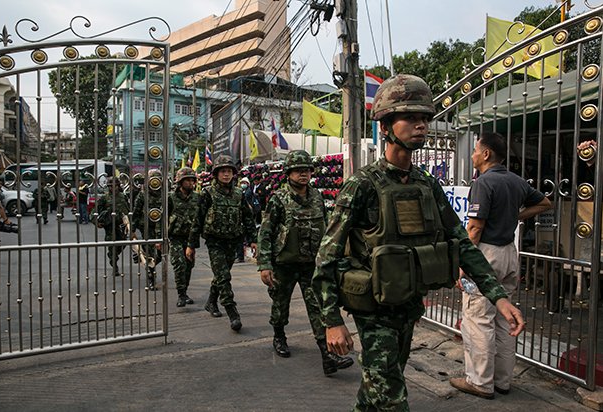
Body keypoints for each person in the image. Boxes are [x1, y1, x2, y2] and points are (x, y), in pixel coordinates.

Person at [311, 74, 525, 411]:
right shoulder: (362, 186)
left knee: (377, 389)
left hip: (409, 307)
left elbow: (462, 243)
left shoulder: (427, 184)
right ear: (385, 127)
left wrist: (498, 297)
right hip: (374, 312)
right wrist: (332, 321)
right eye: (410, 118)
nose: (421, 125)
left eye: (425, 118)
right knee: (393, 398)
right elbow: (326, 257)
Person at [449, 132, 552, 399]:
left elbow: (474, 228)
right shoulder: (516, 182)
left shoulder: (484, 182)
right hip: (509, 253)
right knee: (504, 319)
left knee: (478, 318)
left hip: (486, 255)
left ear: (486, 154)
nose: (472, 155)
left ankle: (480, 382)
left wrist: (462, 265)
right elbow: (544, 202)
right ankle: (502, 381)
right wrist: (516, 216)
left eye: (474, 150)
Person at [258, 150, 354, 375]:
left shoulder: (317, 197)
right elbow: (266, 232)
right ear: (289, 173)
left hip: (311, 264)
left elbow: (328, 226)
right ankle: (279, 336)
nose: (303, 174)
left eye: (306, 170)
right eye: (298, 170)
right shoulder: (278, 199)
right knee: (280, 305)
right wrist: (265, 265)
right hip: (284, 264)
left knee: (318, 307)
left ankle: (328, 356)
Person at [188, 154, 257, 332]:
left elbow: (248, 218)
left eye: (229, 171)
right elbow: (198, 220)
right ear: (216, 174)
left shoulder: (239, 194)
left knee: (221, 275)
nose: (226, 175)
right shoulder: (207, 194)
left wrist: (253, 240)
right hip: (215, 241)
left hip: (233, 241)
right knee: (224, 277)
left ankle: (211, 302)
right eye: (223, 171)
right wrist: (191, 245)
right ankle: (232, 312)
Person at [168, 167, 200, 307]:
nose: (190, 183)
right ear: (180, 181)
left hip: (190, 239)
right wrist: (159, 237)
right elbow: (163, 217)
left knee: (188, 266)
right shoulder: (171, 197)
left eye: (192, 180)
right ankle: (181, 294)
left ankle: (185, 291)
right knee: (179, 265)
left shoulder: (197, 198)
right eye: (187, 180)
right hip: (175, 237)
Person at [131, 169, 164, 290]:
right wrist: (132, 230)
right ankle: (151, 279)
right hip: (146, 228)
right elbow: (136, 212)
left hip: (161, 229)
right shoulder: (142, 195)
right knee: (150, 254)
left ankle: (145, 260)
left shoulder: (165, 194)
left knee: (161, 255)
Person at [94, 177, 130, 277]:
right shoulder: (104, 198)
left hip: (122, 225)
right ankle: (114, 265)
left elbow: (128, 209)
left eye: (114, 186)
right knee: (112, 245)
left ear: (118, 186)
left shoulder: (123, 196)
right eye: (110, 186)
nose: (112, 188)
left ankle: (113, 255)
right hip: (110, 226)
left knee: (122, 244)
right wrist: (97, 222)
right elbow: (95, 211)